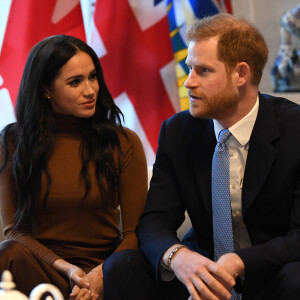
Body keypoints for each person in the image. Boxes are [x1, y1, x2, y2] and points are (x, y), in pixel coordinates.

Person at [103, 13, 300, 300]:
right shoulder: (178, 130)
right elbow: (155, 220)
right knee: (122, 266)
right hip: (200, 273)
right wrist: (179, 257)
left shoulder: (295, 129)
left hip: (271, 275)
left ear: (241, 74)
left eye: (203, 71)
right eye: (189, 68)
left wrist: (240, 262)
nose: (188, 82)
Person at [0, 35, 147, 299]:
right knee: (7, 252)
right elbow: (14, 231)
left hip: (107, 267)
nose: (90, 90)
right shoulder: (12, 141)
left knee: (128, 265)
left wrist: (98, 277)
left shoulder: (123, 142)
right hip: (45, 266)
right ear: (46, 89)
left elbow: (135, 232)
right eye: (75, 82)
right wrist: (69, 270)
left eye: (92, 77)